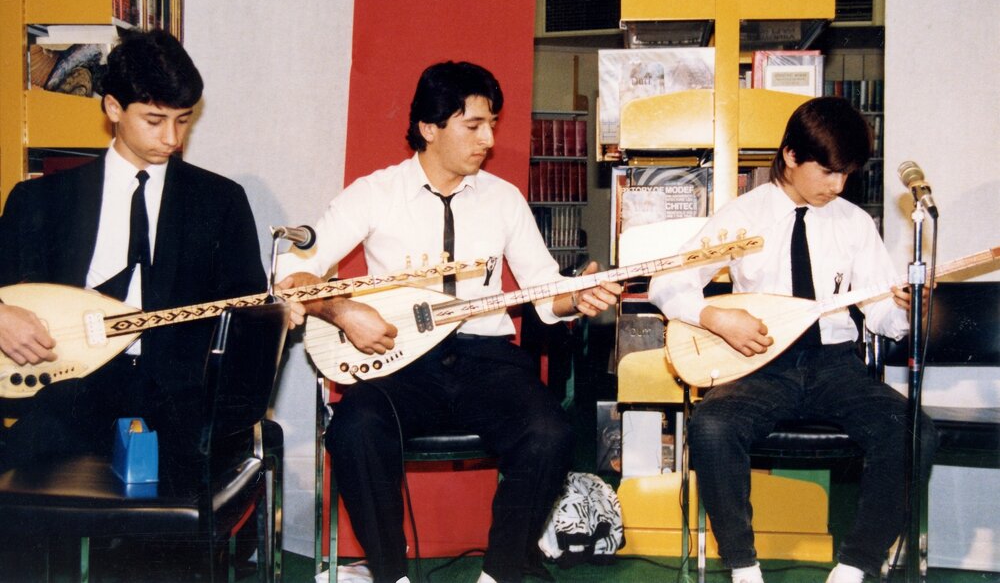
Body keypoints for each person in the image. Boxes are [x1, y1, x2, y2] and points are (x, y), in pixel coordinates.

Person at [277, 60, 621, 583]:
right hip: (399, 363)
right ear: (429, 128)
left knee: (551, 432)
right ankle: (389, 575)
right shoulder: (376, 193)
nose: (488, 138)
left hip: (489, 360)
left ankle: (500, 573)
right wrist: (341, 311)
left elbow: (545, 293)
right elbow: (292, 271)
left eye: (492, 124)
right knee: (354, 430)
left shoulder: (504, 199)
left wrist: (579, 297)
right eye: (474, 125)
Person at [648, 96, 937, 583]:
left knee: (913, 431)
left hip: (837, 364)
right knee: (713, 428)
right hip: (760, 364)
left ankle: (855, 566)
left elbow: (883, 314)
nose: (838, 185)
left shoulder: (854, 223)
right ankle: (743, 568)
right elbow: (667, 284)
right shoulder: (741, 215)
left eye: (846, 174)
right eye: (827, 171)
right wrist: (716, 316)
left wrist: (911, 311)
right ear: (790, 156)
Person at [0, 29, 266, 473]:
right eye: (155, 120)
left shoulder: (220, 201)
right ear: (113, 108)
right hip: (72, 387)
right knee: (21, 470)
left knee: (193, 483)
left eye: (184, 120)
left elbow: (247, 312)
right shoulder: (42, 199)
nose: (172, 139)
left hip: (179, 398)